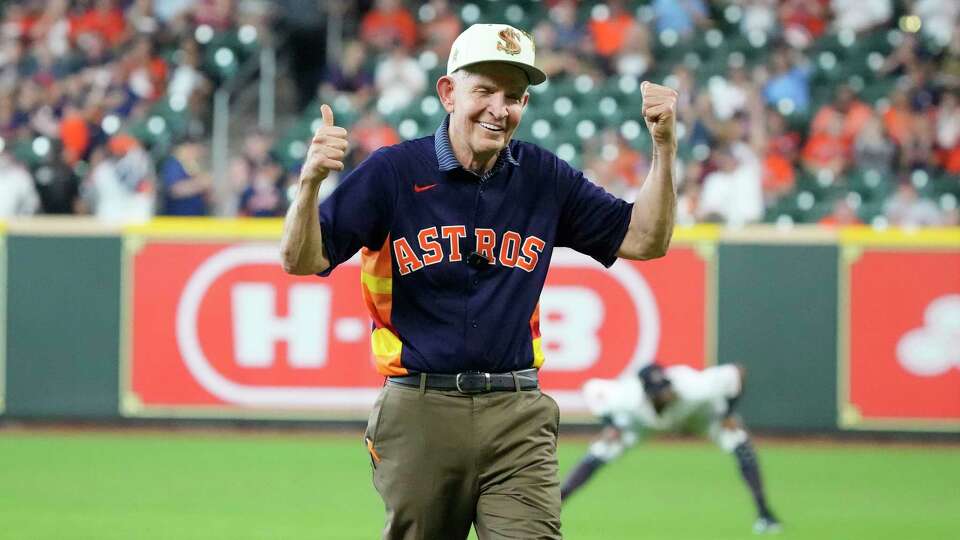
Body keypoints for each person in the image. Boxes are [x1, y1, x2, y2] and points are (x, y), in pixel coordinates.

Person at [280, 23, 679, 539]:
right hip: (419, 408)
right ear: (448, 93)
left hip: (517, 411)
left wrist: (664, 145)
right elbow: (302, 259)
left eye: (513, 96)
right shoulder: (393, 173)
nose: (499, 107)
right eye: (484, 90)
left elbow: (645, 239)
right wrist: (309, 184)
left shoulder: (543, 176)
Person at [560, 362, 783, 535]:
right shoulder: (627, 397)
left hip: (698, 416)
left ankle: (765, 514)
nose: (666, 393)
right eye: (659, 391)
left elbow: (738, 372)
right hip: (643, 424)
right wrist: (611, 426)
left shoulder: (693, 386)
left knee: (738, 440)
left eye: (665, 387)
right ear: (646, 392)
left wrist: (727, 414)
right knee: (601, 451)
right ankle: (553, 506)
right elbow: (591, 390)